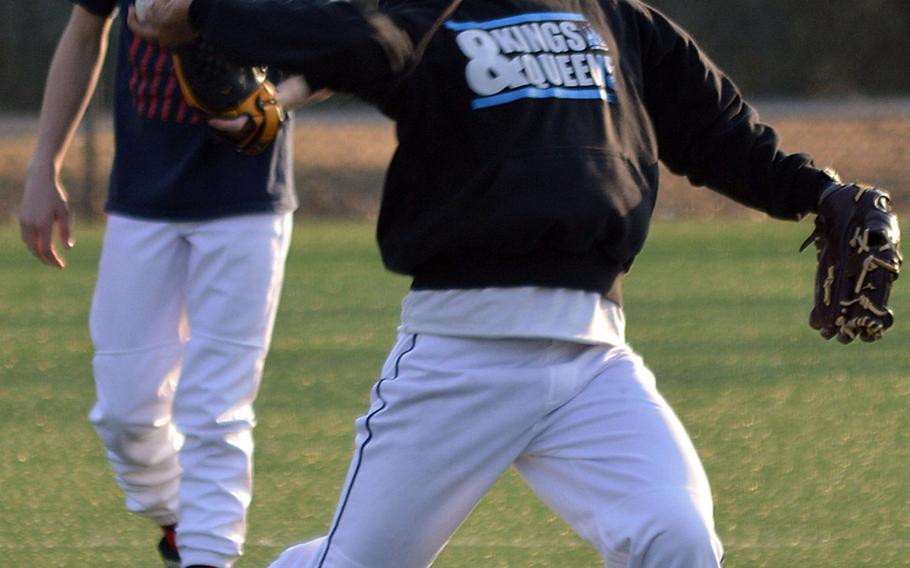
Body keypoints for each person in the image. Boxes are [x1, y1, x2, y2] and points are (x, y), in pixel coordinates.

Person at [131, 0, 873, 566]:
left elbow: (719, 133)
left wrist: (818, 192)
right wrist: (204, 15)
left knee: (678, 539)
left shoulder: (613, 17)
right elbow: (352, 41)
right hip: (461, 353)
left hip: (593, 360)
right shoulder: (436, 13)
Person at [18, 2, 313, 567]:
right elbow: (84, 35)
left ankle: (208, 555)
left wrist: (282, 97)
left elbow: (339, 47)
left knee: (216, 405)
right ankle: (181, 525)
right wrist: (43, 166)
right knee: (125, 411)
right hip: (142, 201)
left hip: (249, 201)